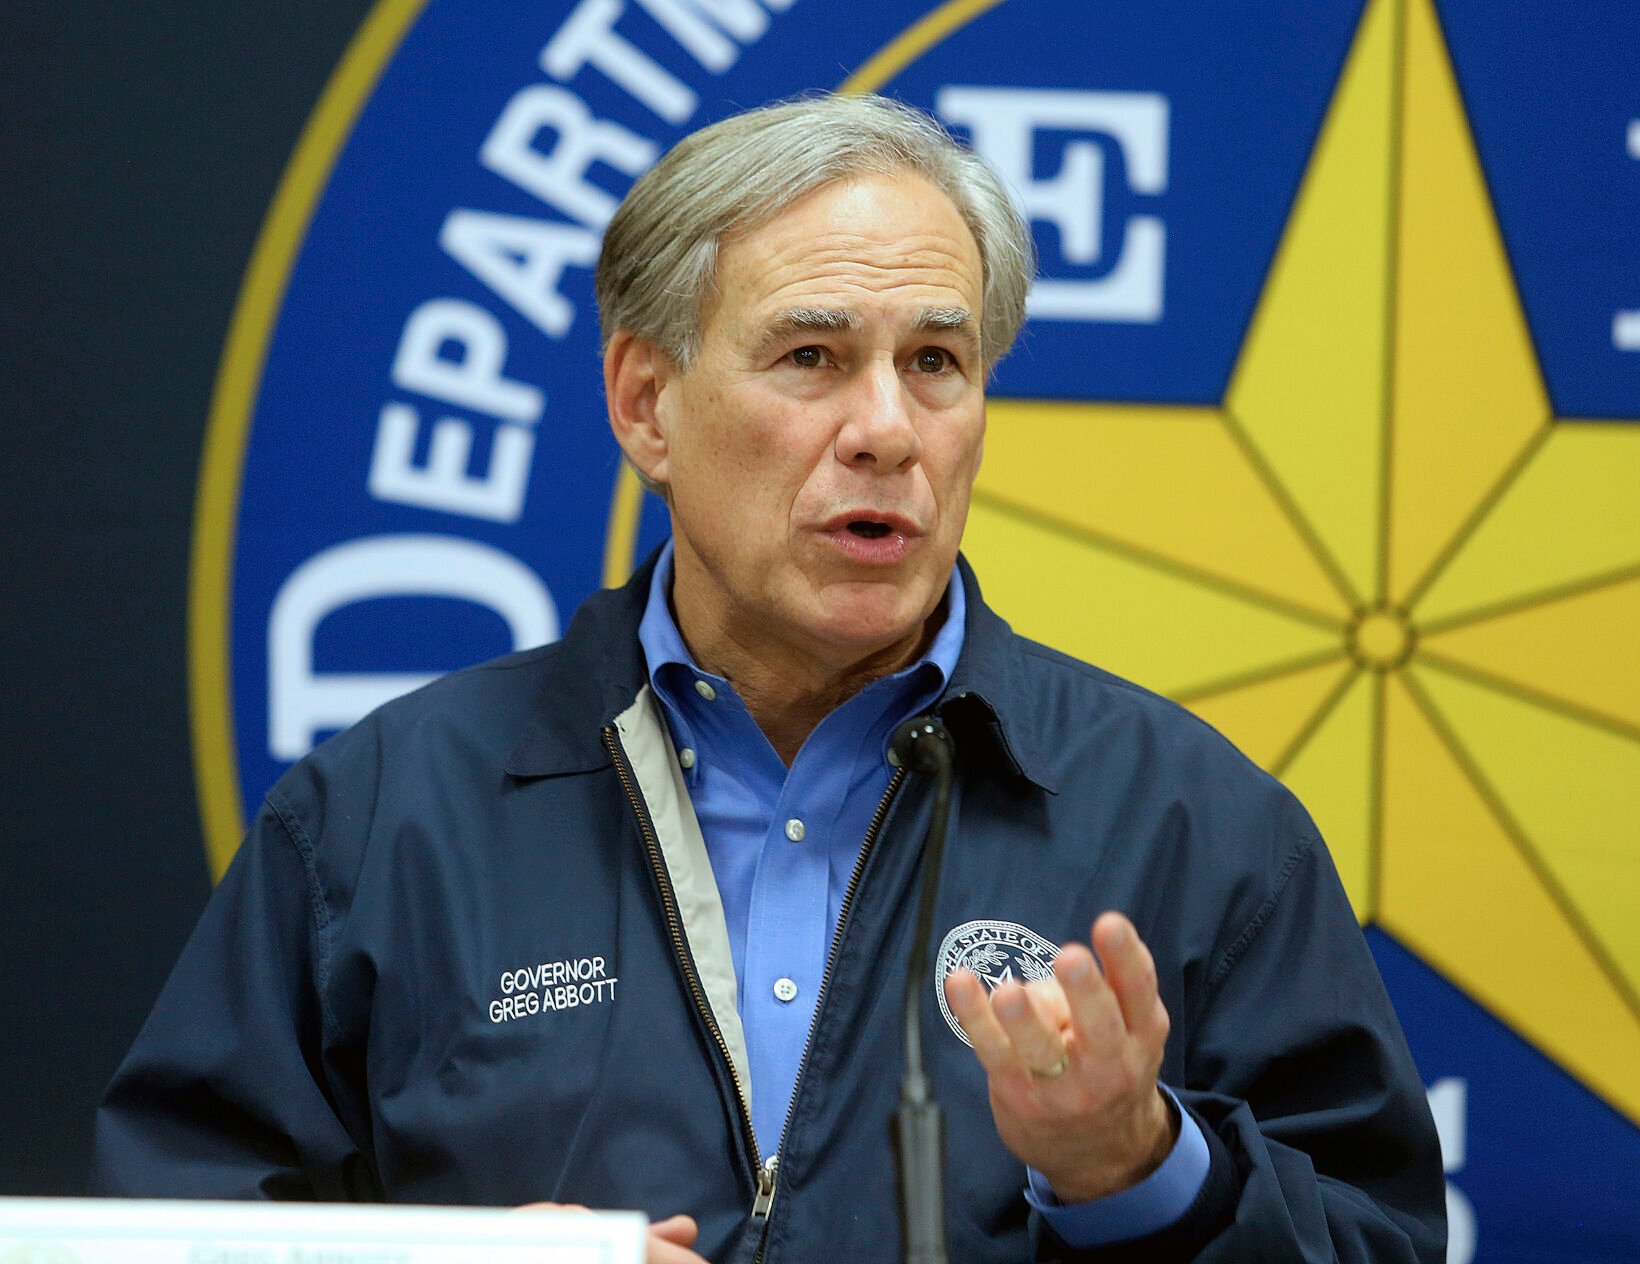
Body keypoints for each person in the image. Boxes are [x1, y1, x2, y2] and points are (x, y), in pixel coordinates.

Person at [95, 94, 1445, 1262]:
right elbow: (173, 1214)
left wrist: (1142, 1171)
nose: (886, 431)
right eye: (811, 357)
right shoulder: (388, 813)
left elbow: (1383, 1241)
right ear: (644, 404)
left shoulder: (1194, 824)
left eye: (936, 363)